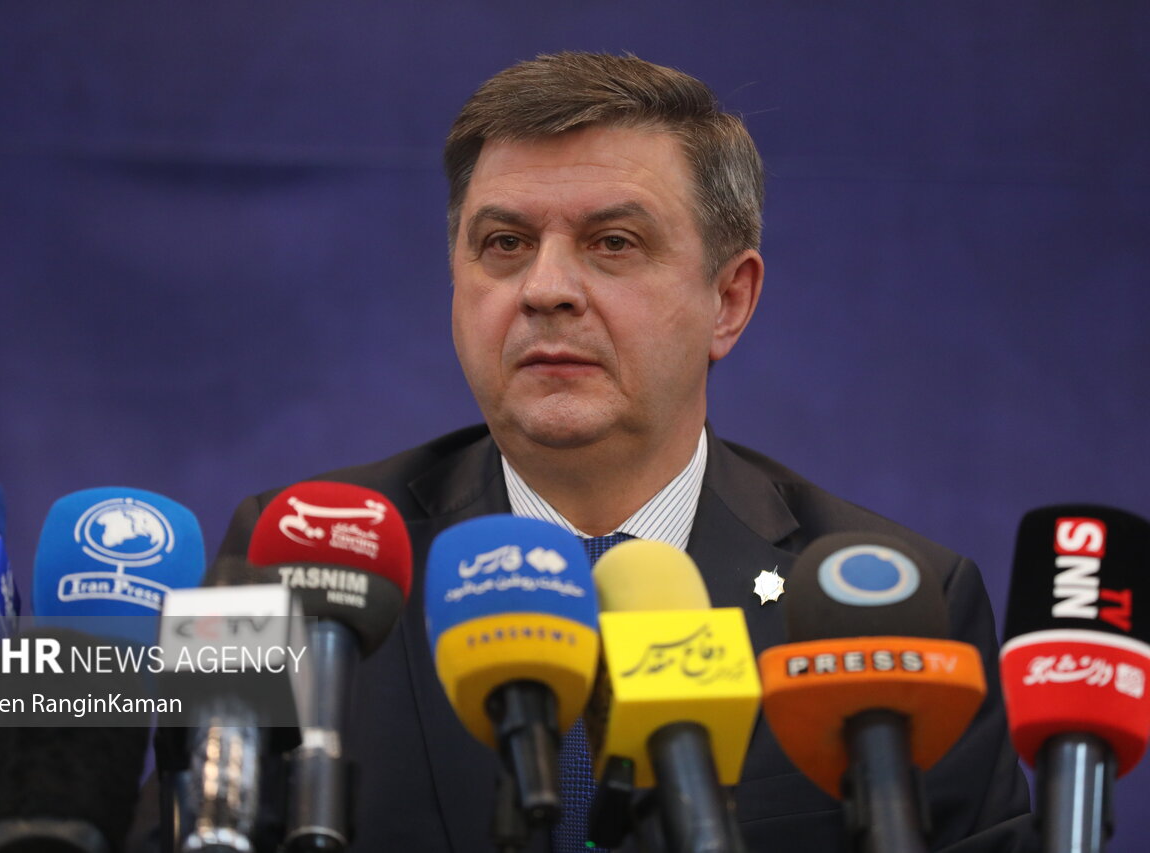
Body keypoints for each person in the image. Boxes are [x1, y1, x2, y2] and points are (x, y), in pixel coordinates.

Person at [213, 52, 1036, 852]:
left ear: (729, 299)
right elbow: (181, 826)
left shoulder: (912, 608)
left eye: (613, 242)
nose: (546, 289)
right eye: (505, 243)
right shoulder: (284, 554)